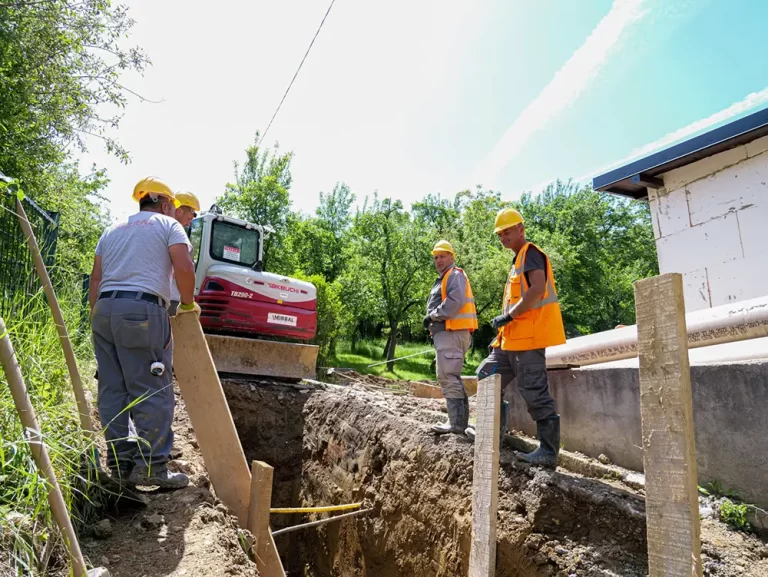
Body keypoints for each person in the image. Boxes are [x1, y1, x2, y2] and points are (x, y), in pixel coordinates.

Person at [89, 177, 200, 489]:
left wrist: (99, 316)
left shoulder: (112, 230)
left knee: (113, 389)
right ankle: (151, 468)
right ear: (165, 205)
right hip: (143, 312)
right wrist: (188, 304)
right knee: (152, 387)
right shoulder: (168, 226)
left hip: (104, 311)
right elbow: (184, 267)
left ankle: (120, 464)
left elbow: (95, 280)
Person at [465, 208, 566, 469]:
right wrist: (501, 332)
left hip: (528, 341)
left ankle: (548, 452)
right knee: (487, 374)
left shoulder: (531, 253)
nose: (503, 237)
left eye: (507, 231)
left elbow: (536, 289)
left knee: (534, 391)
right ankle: (492, 433)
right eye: (499, 234)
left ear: (521, 229)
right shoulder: (517, 259)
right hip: (510, 342)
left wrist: (508, 317)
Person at [424, 240, 478, 435]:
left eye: (442, 256)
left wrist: (432, 316)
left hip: (452, 332)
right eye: (436, 257)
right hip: (449, 333)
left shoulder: (454, 275)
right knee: (450, 376)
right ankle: (459, 422)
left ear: (451, 257)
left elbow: (454, 302)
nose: (438, 260)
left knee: (447, 376)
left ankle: (456, 424)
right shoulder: (446, 277)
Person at [168, 191, 201, 316]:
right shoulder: (176, 232)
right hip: (172, 299)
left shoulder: (160, 229)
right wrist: (188, 304)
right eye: (189, 218)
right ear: (179, 211)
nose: (189, 223)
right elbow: (183, 269)